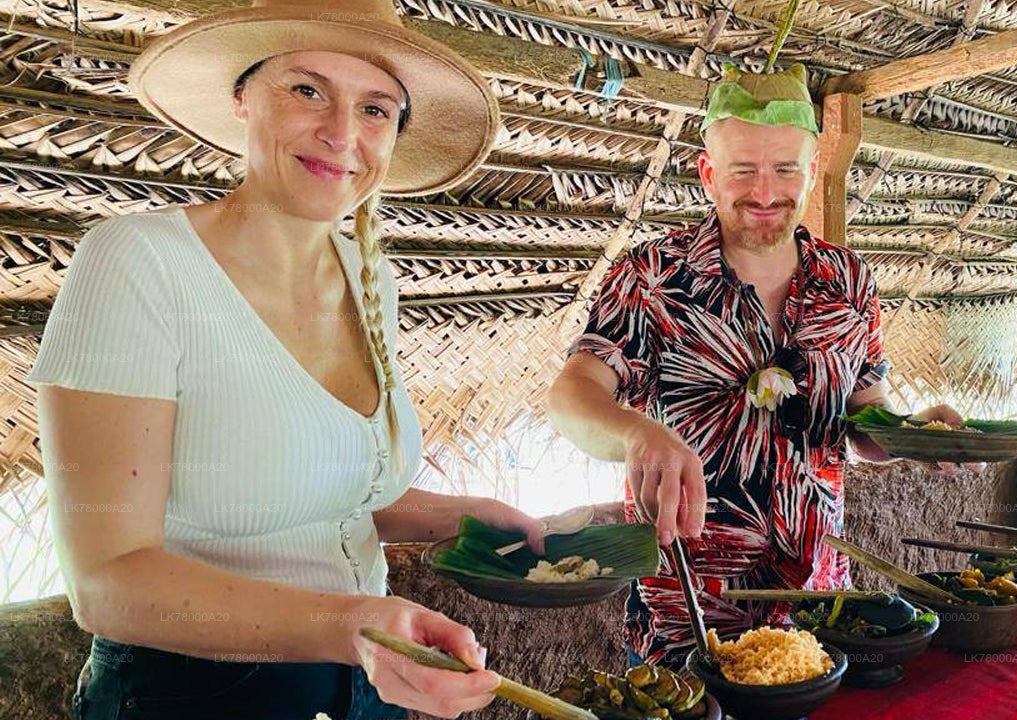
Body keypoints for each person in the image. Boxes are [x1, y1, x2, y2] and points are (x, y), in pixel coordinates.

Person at [29, 1, 544, 717]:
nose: (341, 133)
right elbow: (107, 584)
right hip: (193, 692)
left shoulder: (369, 276)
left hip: (365, 680)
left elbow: (330, 493)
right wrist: (348, 626)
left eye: (375, 109)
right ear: (243, 97)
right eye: (307, 90)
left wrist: (472, 516)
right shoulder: (140, 263)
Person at [546, 62, 966, 666]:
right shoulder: (651, 277)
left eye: (785, 169)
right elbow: (572, 394)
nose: (765, 193)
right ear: (708, 174)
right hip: (686, 617)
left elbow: (863, 418)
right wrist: (638, 435)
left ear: (812, 171)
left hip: (820, 612)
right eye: (743, 170)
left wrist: (915, 434)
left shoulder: (850, 280)